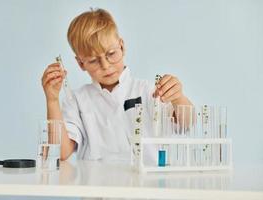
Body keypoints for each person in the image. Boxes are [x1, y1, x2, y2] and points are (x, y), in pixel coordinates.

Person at [41, 8, 193, 162]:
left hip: (145, 183)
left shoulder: (147, 90)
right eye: (93, 60)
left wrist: (178, 98)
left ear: (122, 46)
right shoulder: (77, 99)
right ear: (81, 63)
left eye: (111, 53)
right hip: (96, 184)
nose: (106, 66)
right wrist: (52, 100)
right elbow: (61, 152)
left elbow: (186, 123)